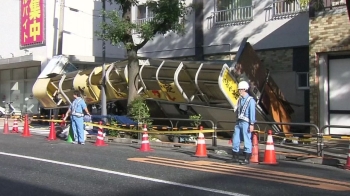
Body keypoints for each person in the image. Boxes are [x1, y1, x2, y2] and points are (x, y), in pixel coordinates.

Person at [231, 81, 256, 165]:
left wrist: (252, 124)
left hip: (246, 122)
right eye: (239, 90)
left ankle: (246, 158)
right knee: (235, 139)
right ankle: (235, 156)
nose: (239, 91)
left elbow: (252, 113)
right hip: (238, 121)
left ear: (245, 89)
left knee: (247, 139)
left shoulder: (250, 100)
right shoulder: (239, 100)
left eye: (240, 90)